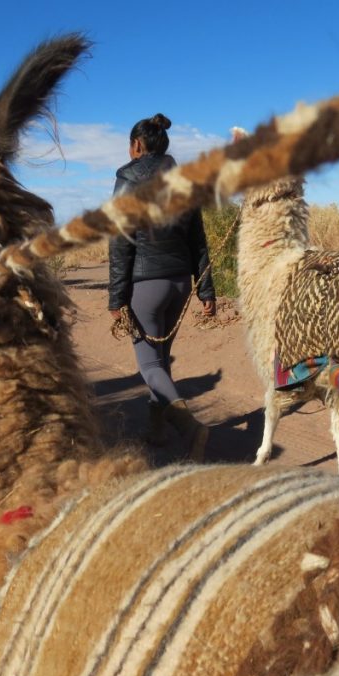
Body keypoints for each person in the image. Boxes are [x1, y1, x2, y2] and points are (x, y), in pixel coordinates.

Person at [108, 113, 216, 460]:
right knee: (161, 359)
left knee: (150, 365)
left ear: (136, 145)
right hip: (180, 284)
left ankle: (190, 428)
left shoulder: (127, 179)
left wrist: (116, 296)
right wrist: (206, 290)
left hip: (145, 286)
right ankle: (156, 430)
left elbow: (120, 242)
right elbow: (198, 241)